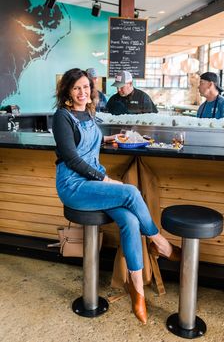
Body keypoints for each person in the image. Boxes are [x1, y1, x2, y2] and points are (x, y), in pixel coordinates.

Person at [52, 68, 181, 325]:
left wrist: (109, 138)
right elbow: (71, 156)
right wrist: (104, 178)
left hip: (93, 182)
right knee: (131, 192)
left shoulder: (88, 113)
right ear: (67, 90)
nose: (82, 92)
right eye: (77, 88)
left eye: (86, 87)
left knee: (131, 222)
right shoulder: (61, 116)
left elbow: (88, 143)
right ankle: (161, 243)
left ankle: (138, 292)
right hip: (75, 185)